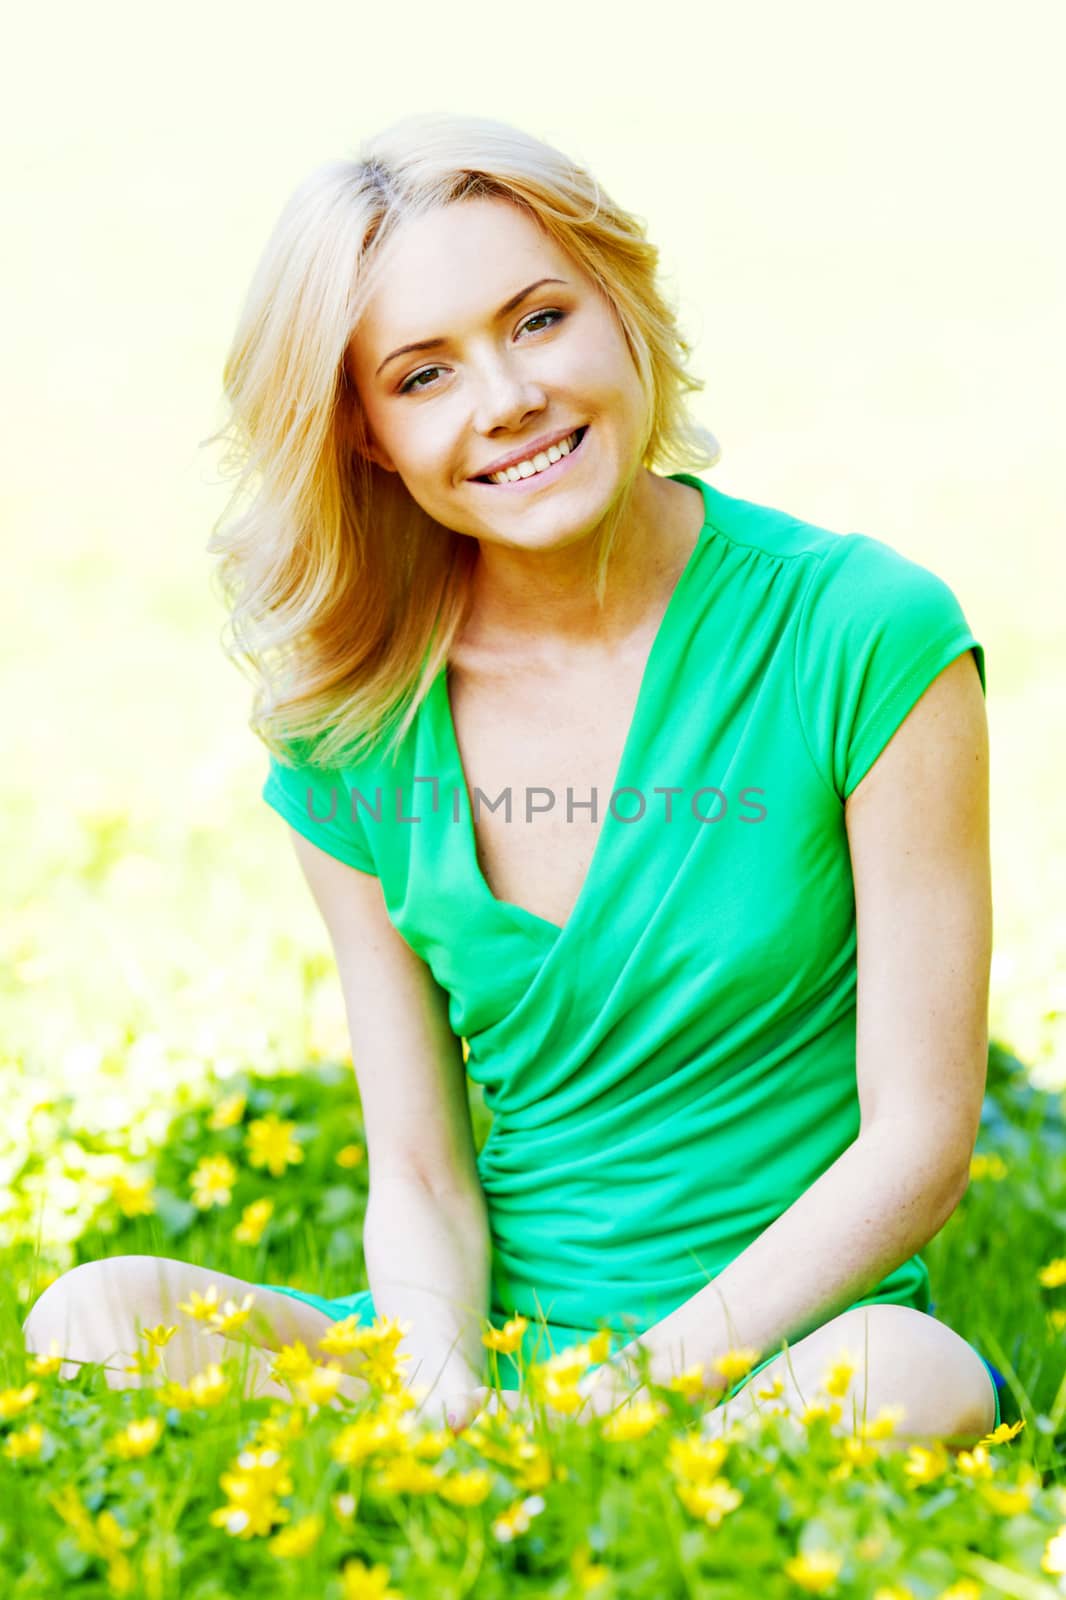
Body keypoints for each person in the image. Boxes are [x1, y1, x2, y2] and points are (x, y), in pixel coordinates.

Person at [23, 111, 1002, 1446]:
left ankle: (653, 1486)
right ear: (364, 433)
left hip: (783, 1355)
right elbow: (418, 1167)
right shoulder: (353, 716)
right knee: (90, 1314)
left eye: (538, 320)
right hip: (493, 1358)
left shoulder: (859, 630)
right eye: (422, 376)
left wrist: (627, 1396)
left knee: (912, 1373)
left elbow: (920, 1140)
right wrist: (443, 1399)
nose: (506, 400)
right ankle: (518, 1484)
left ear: (619, 306)